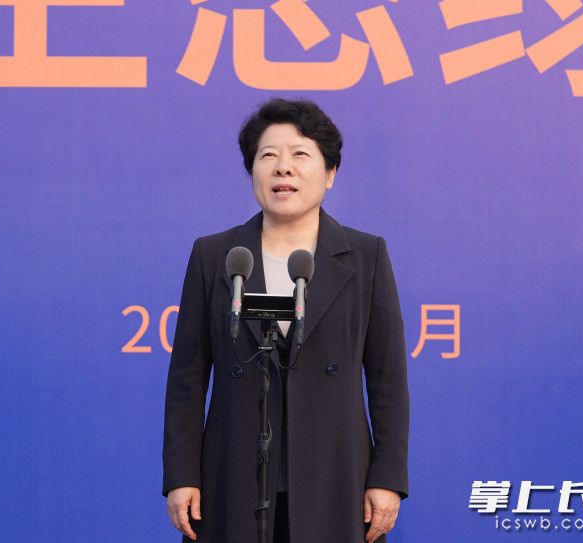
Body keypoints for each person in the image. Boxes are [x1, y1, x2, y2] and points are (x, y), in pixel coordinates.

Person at [163, 98, 409, 543]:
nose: (283, 167)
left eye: (300, 154)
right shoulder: (215, 256)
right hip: (232, 472)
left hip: (336, 473)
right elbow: (187, 379)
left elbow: (387, 378)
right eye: (268, 155)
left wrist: (387, 477)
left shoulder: (365, 256)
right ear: (252, 171)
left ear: (330, 173)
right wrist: (182, 475)